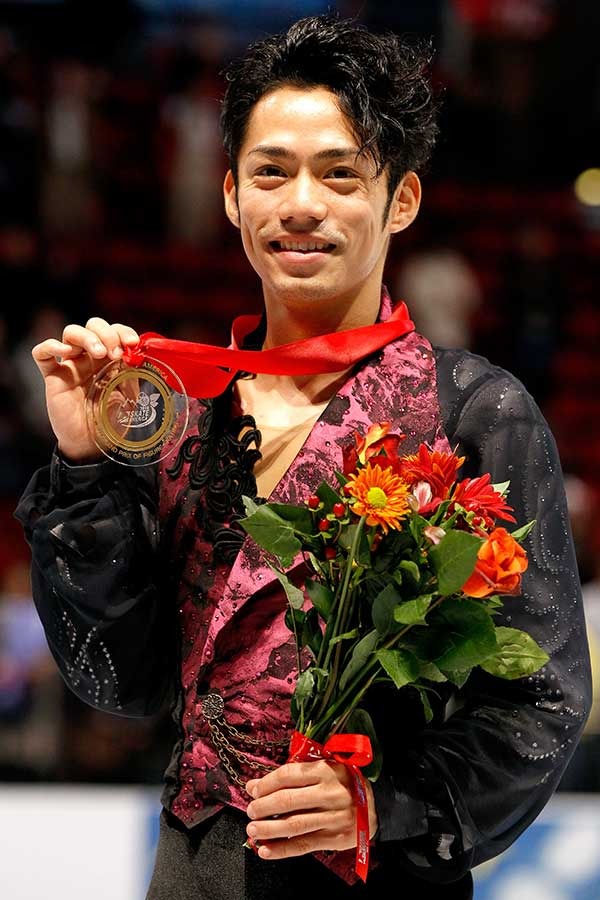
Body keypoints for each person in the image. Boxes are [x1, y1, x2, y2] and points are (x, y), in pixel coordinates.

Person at [15, 15, 590, 900]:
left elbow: (541, 703)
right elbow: (115, 682)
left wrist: (382, 805)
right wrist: (86, 462)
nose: (300, 204)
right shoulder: (179, 416)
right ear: (231, 197)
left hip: (378, 874)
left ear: (401, 200)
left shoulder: (475, 412)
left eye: (340, 174)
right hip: (193, 873)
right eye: (270, 172)